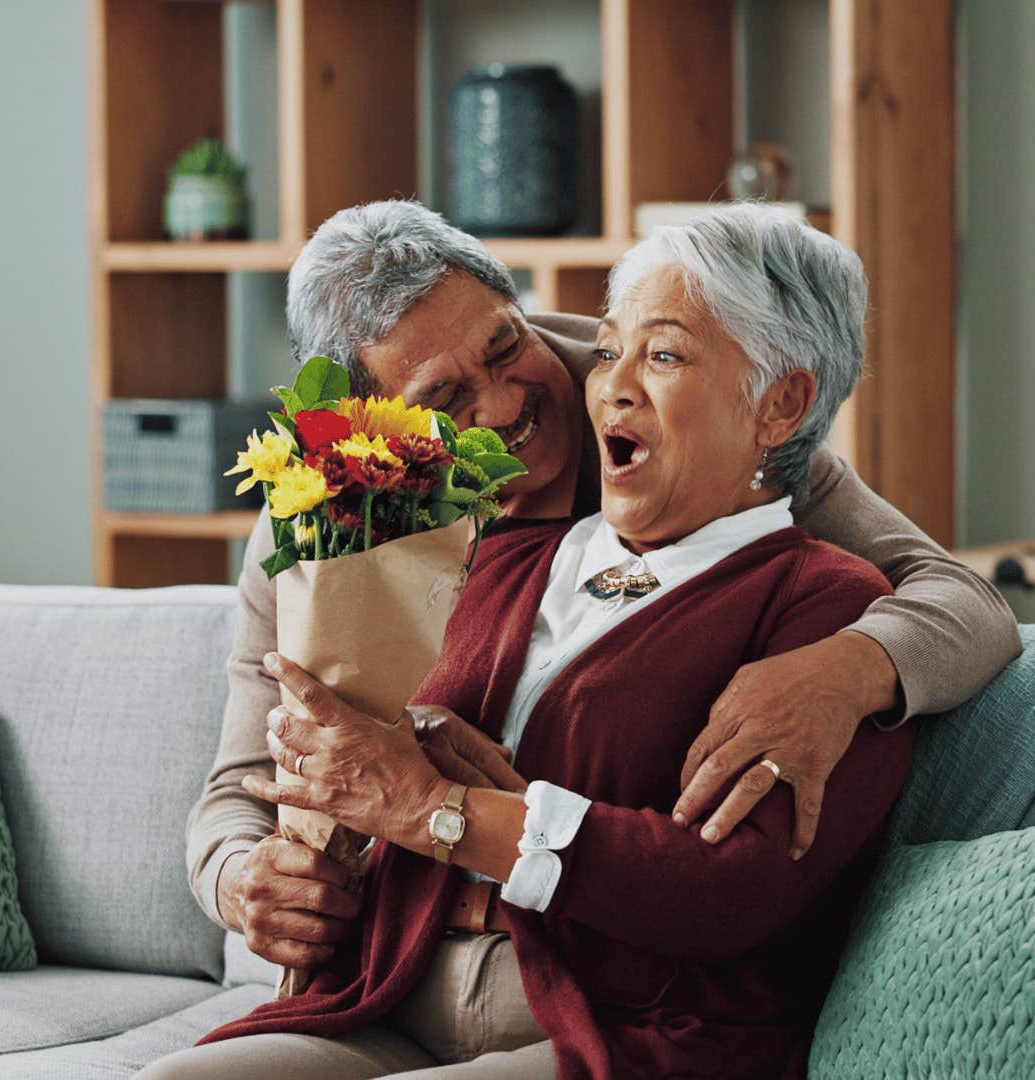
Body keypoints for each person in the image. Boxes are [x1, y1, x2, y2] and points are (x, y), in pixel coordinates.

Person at [144, 204, 921, 1078]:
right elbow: (259, 777)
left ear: (779, 404)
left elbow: (729, 890)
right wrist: (269, 863)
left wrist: (428, 806)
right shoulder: (457, 539)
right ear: (379, 434)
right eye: (612, 345)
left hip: (615, 1017)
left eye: (660, 355)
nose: (603, 385)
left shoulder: (826, 602)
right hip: (388, 987)